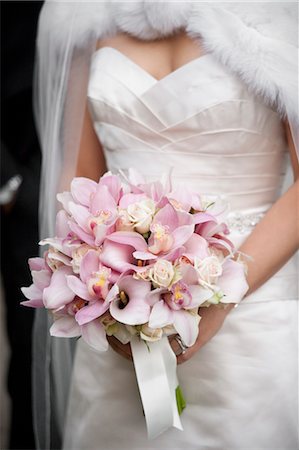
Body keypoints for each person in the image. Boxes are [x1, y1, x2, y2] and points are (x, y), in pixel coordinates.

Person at [32, 2, 298, 449]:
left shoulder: (279, 12)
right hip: (120, 320)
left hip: (255, 307)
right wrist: (91, 281)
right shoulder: (82, 14)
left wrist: (223, 297)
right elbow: (81, 180)